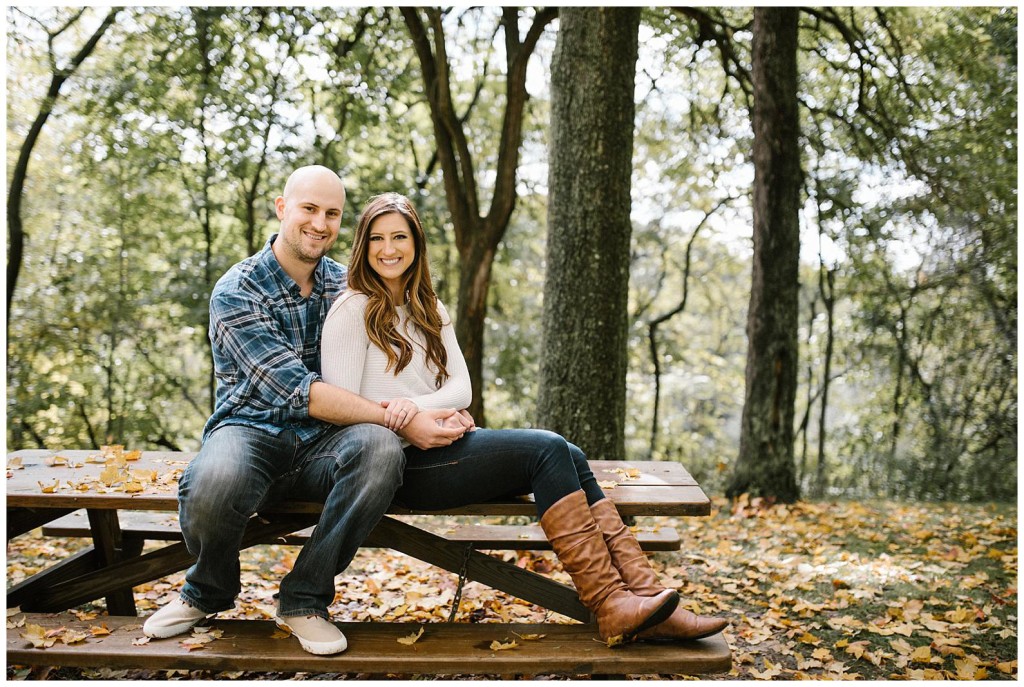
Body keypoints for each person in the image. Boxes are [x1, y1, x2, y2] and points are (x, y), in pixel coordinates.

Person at [320, 192, 728, 642]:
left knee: (567, 453)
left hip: (440, 446)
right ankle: (610, 603)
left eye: (399, 236)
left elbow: (461, 388)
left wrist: (425, 410)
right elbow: (343, 408)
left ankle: (647, 597)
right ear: (362, 245)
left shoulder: (429, 309)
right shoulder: (351, 309)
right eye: (377, 238)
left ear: (417, 244)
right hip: (397, 465)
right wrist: (407, 421)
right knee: (547, 448)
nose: (388, 248)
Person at [142, 168, 466, 655]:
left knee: (380, 449)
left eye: (332, 213)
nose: (320, 223)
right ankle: (206, 590)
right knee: (214, 480)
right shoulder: (238, 291)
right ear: (281, 208)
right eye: (309, 209)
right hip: (250, 432)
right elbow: (301, 392)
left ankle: (304, 598)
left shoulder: (349, 283)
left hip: (327, 441)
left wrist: (438, 408)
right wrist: (406, 420)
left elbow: (402, 356)